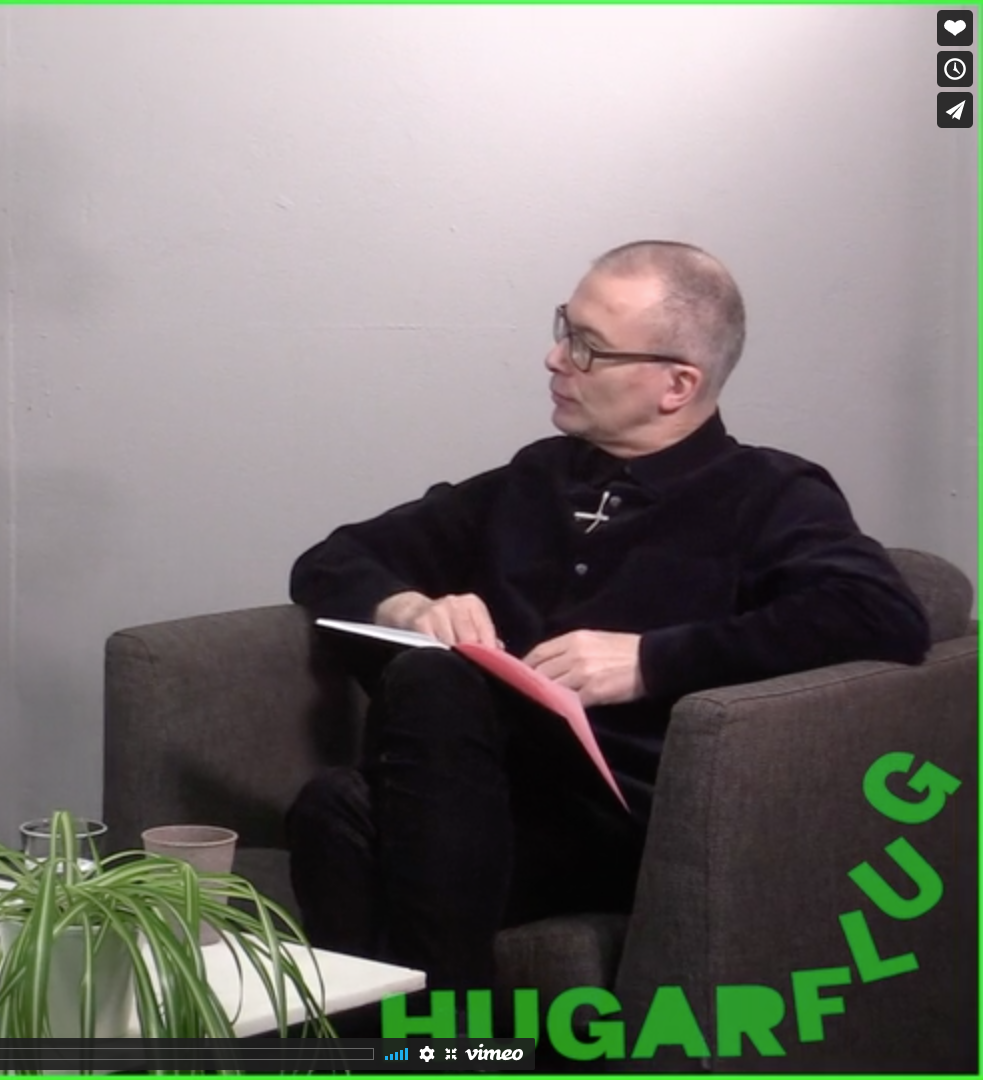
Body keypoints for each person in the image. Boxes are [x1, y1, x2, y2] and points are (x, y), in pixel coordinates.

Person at [283, 240, 930, 996]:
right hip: (479, 799)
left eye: (588, 347)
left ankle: (449, 1045)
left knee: (429, 688)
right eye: (565, 328)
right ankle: (430, 1055)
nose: (556, 359)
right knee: (335, 807)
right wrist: (416, 605)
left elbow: (882, 614)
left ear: (676, 385)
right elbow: (332, 560)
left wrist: (650, 661)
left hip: (622, 824)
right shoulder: (536, 478)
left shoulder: (769, 493)